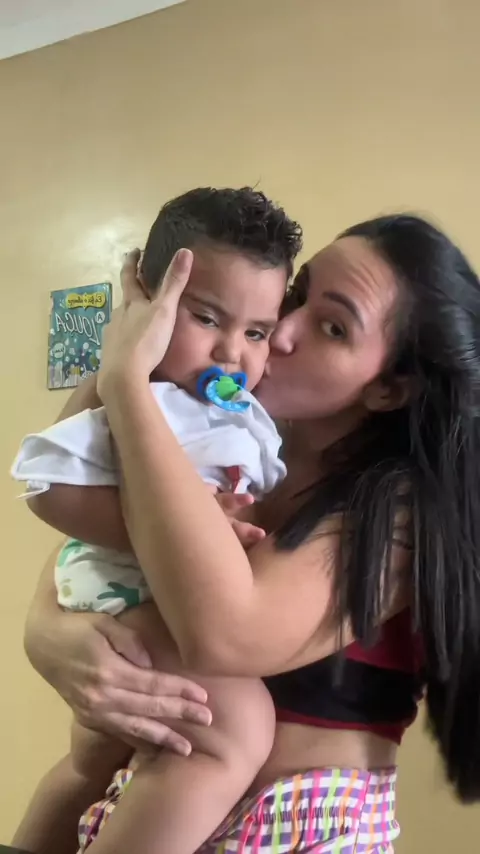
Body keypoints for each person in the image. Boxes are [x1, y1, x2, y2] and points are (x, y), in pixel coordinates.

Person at [17, 213, 480, 853]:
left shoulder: (399, 506)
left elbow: (225, 631)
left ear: (388, 388)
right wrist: (50, 633)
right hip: (133, 802)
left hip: (299, 830)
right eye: (297, 296)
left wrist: (124, 382)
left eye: (333, 328)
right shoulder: (229, 437)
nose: (281, 332)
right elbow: (92, 546)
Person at [11, 186, 303, 854]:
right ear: (148, 303)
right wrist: (184, 532)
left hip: (172, 605)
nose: (232, 353)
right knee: (236, 724)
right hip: (122, 591)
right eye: (206, 317)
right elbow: (48, 487)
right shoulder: (150, 397)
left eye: (256, 332)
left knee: (99, 761)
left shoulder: (242, 414)